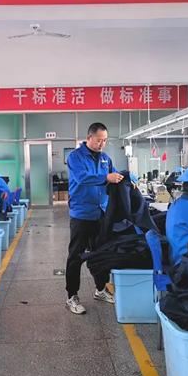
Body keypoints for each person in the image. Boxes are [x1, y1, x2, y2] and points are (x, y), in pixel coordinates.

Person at [65, 122, 123, 315]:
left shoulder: (106, 158)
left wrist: (128, 181)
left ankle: (100, 289)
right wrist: (106, 178)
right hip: (82, 214)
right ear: (89, 138)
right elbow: (83, 178)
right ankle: (72, 296)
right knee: (76, 256)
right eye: (99, 140)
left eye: (105, 140)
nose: (102, 144)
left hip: (101, 214)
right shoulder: (75, 157)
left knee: (101, 253)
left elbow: (115, 177)